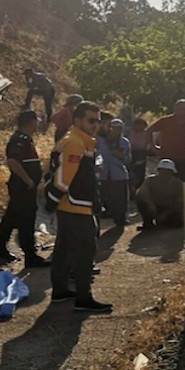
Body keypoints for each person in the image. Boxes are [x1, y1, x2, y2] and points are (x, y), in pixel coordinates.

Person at [44, 101, 112, 313]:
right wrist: (52, 201)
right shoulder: (75, 142)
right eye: (91, 120)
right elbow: (64, 178)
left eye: (98, 121)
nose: (95, 125)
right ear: (77, 120)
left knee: (63, 250)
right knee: (85, 251)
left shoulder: (78, 140)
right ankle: (83, 297)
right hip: (77, 206)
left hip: (72, 205)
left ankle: (60, 291)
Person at [0, 110, 51, 268]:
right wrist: (28, 180)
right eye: (36, 121)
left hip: (23, 187)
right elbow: (13, 162)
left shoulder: (26, 139)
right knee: (26, 220)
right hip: (22, 187)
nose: (38, 124)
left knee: (11, 217)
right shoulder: (19, 140)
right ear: (30, 122)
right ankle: (30, 255)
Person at [145, 99, 185, 181]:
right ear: (175, 109)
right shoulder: (165, 121)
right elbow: (149, 131)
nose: (182, 112)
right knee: (165, 181)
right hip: (167, 157)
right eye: (180, 109)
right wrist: (153, 147)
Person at [135, 159, 184, 231]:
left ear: (172, 173)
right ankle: (148, 222)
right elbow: (142, 192)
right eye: (162, 171)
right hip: (152, 206)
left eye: (167, 172)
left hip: (169, 209)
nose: (164, 174)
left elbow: (180, 202)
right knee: (139, 198)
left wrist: (166, 213)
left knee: (178, 223)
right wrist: (150, 205)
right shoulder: (150, 180)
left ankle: (163, 221)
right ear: (158, 171)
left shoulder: (178, 184)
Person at [101, 118, 132, 225]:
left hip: (118, 174)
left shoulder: (125, 142)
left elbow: (128, 159)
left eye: (119, 128)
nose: (116, 131)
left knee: (120, 199)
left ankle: (121, 219)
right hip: (102, 174)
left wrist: (122, 156)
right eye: (114, 128)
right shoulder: (99, 140)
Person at [127, 118, 149, 194]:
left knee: (140, 174)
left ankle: (139, 191)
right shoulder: (130, 132)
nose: (139, 127)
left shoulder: (147, 133)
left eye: (142, 125)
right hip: (131, 153)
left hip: (142, 154)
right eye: (138, 125)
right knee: (131, 172)